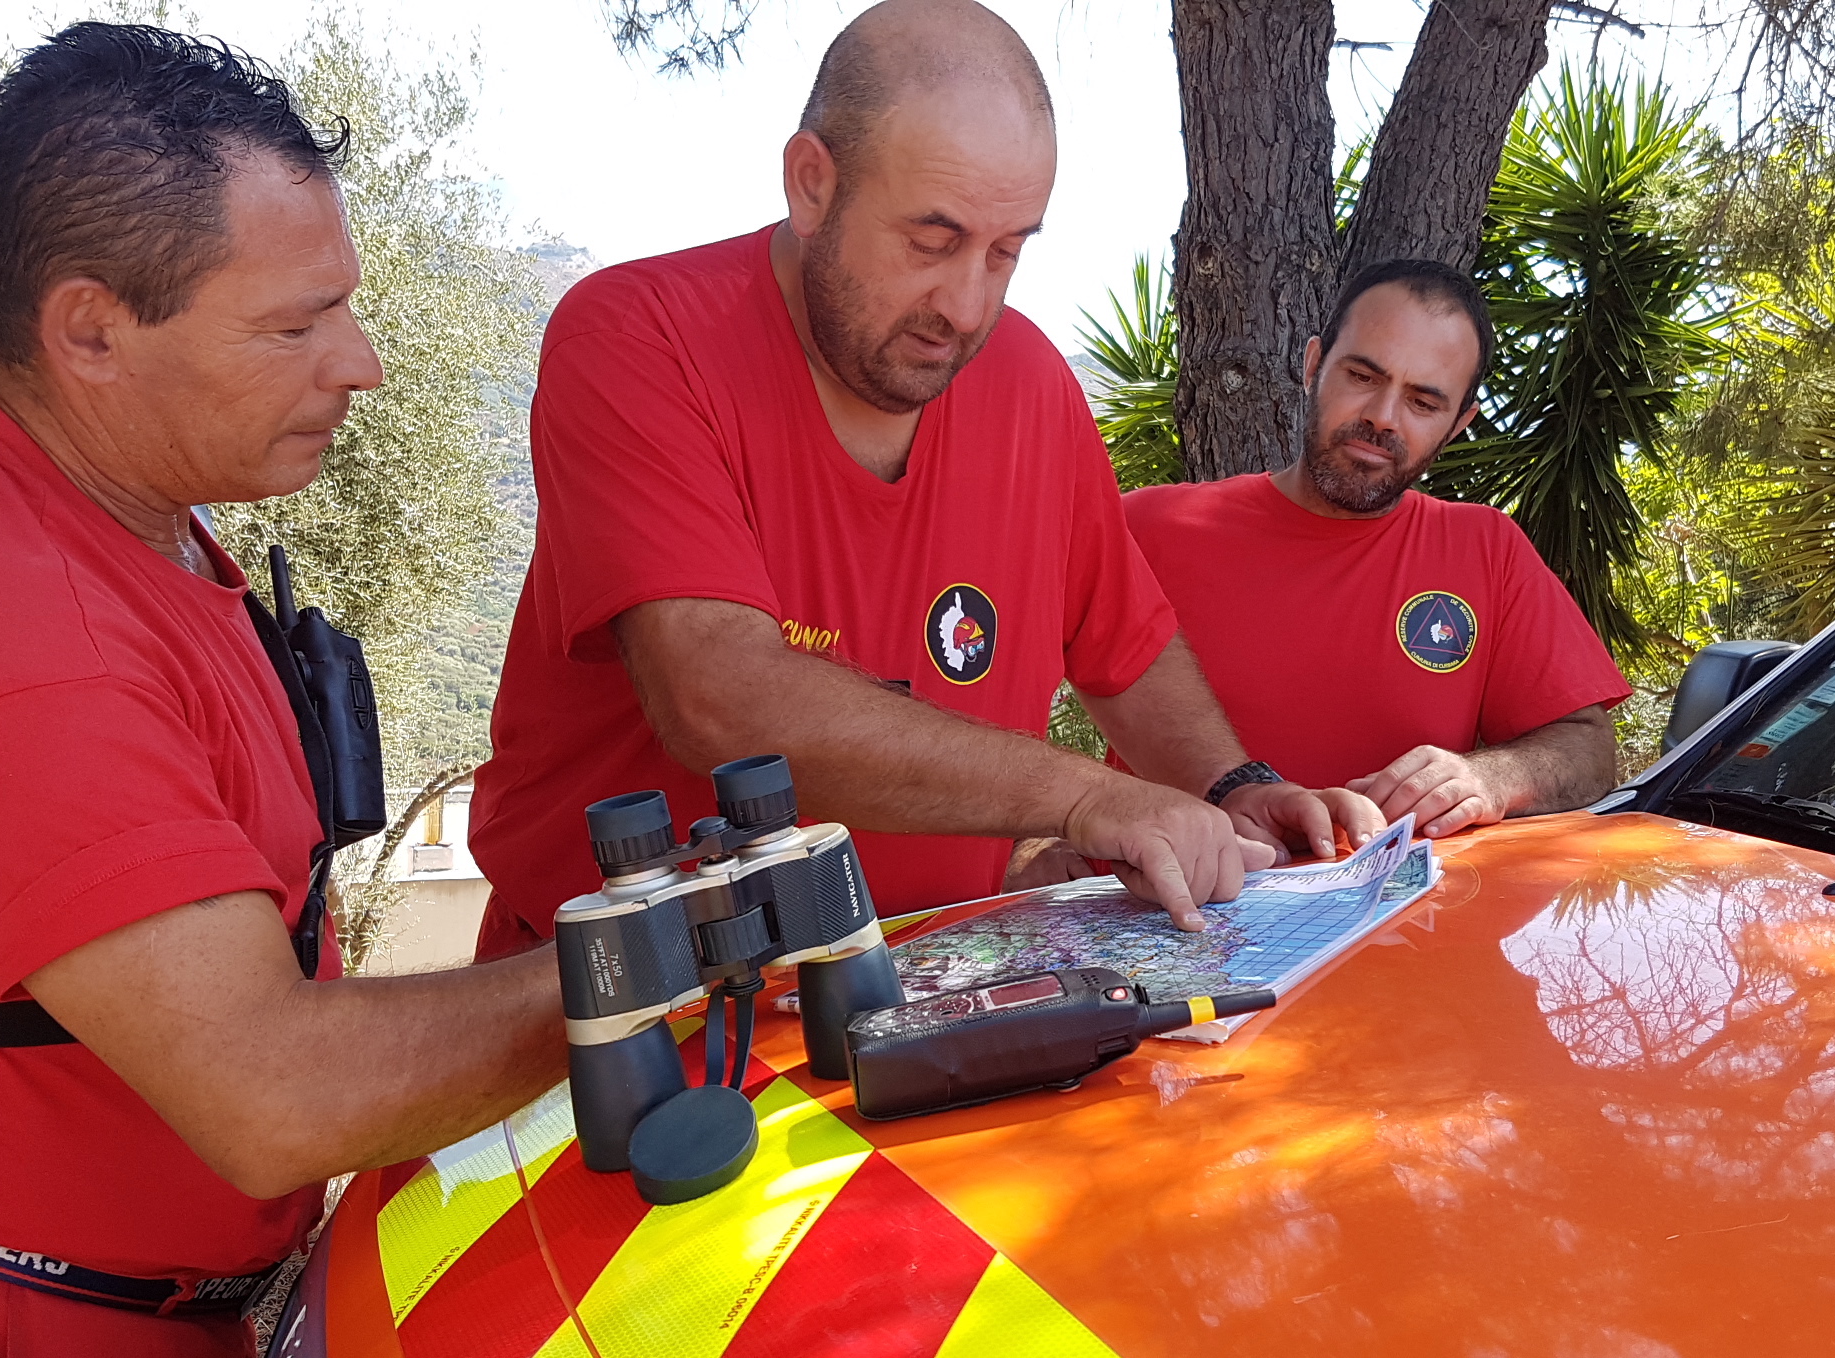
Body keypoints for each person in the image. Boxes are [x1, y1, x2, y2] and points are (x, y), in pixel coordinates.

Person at [0, 26, 566, 1358]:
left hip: (141, 1335)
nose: (365, 363)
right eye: (294, 325)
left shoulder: (127, 519)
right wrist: (658, 965)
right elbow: (272, 1094)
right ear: (89, 332)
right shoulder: (2, 636)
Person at [468, 0, 1340, 951]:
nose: (966, 307)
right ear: (811, 183)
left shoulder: (1032, 384)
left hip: (931, 985)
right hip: (636, 1010)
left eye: (1006, 252)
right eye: (932, 242)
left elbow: (1122, 650)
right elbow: (716, 693)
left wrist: (1234, 788)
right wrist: (1087, 794)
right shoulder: (639, 335)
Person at [1120, 259, 1632, 841]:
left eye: (1423, 402)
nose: (1381, 418)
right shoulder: (1147, 528)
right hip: (1167, 919)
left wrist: (1490, 776)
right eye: (1363, 376)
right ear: (1314, 365)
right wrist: (1036, 838)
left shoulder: (1487, 549)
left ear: (1459, 422)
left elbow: (1588, 749)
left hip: (1403, 923)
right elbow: (1004, 694)